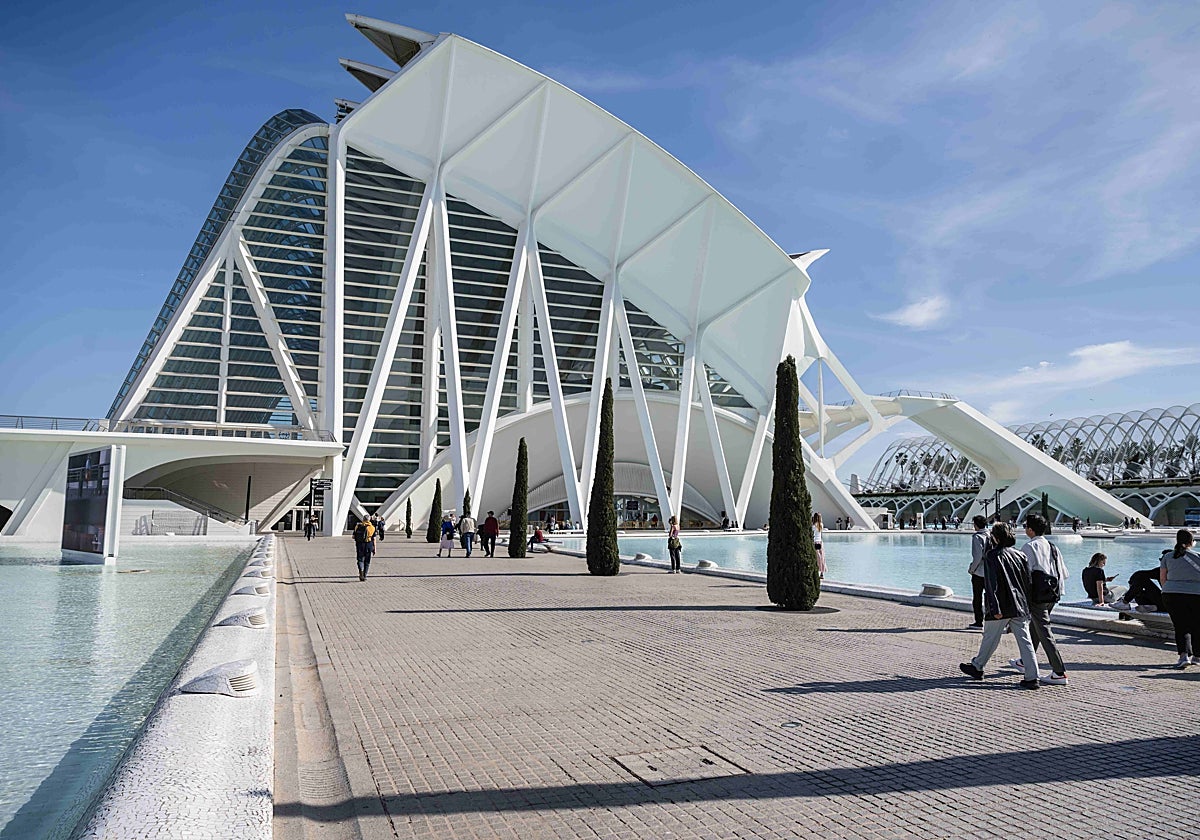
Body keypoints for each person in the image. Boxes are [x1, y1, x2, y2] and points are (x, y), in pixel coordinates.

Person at [959, 522, 1041, 689]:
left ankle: (978, 666)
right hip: (1020, 606)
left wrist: (994, 608)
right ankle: (1032, 677)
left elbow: (991, 584)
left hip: (1001, 606)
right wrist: (1027, 606)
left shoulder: (992, 556)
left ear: (995, 538)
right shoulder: (1020, 555)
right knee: (1025, 641)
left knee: (990, 637)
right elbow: (1027, 582)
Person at [1012, 514, 1069, 686]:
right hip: (1053, 593)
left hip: (1037, 595)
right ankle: (1025, 661)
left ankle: (1059, 671)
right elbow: (1063, 573)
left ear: (1030, 529)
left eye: (1026, 526)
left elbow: (1023, 573)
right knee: (1036, 627)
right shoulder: (1052, 547)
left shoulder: (1029, 547)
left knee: (1044, 631)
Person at [1160, 529, 1200, 668]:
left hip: (1171, 594)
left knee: (1180, 625)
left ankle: (1184, 656)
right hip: (1196, 594)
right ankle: (1197, 656)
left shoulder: (1167, 557)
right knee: (1196, 625)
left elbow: (1163, 579)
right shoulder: (1198, 556)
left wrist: (1169, 590)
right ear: (1191, 542)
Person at [968, 514, 989, 629]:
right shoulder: (991, 535)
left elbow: (977, 557)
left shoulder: (977, 537)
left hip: (979, 572)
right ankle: (993, 620)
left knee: (977, 598)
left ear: (976, 525)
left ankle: (978, 621)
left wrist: (972, 569)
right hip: (990, 572)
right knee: (991, 597)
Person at [352, 516, 376, 581]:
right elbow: (374, 539)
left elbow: (353, 537)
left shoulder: (358, 526)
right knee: (367, 561)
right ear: (369, 520)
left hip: (360, 545)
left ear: (363, 519)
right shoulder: (372, 528)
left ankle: (361, 570)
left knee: (360, 560)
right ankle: (364, 575)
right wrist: (374, 548)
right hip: (368, 545)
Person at [812, 512, 826, 578]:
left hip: (815, 542)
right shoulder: (821, 525)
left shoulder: (813, 526)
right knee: (822, 557)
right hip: (820, 542)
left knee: (816, 558)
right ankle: (822, 573)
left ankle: (816, 572)